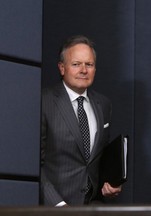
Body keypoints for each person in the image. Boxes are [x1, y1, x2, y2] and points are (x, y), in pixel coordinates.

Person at [41, 35, 122, 206]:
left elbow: (99, 158)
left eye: (89, 64)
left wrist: (111, 182)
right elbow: (34, 164)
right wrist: (59, 206)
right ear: (62, 68)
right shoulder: (43, 102)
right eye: (76, 64)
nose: (83, 70)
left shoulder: (104, 104)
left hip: (92, 207)